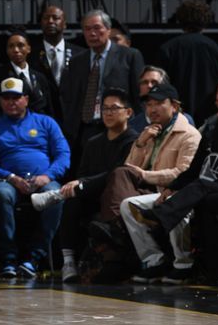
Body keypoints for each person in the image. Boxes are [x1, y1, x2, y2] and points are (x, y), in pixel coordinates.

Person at [121, 90, 218, 285]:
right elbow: (192, 171)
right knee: (129, 205)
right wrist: (171, 189)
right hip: (203, 192)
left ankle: (178, 252)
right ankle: (156, 260)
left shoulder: (190, 134)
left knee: (200, 187)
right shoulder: (214, 134)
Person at [32, 88, 138, 283]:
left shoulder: (134, 141)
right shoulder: (93, 142)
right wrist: (81, 184)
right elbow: (83, 173)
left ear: (128, 112)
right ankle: (68, 261)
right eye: (104, 108)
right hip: (92, 193)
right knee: (72, 202)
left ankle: (58, 194)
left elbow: (119, 173)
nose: (108, 113)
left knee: (109, 176)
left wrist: (81, 184)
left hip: (118, 196)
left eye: (114, 108)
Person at [0, 77, 70, 279]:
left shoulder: (46, 122)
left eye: (15, 97)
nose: (11, 102)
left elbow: (63, 154)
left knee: (55, 194)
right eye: (6, 98)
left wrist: (47, 176)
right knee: (1, 194)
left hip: (42, 179)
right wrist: (11, 177)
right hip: (9, 181)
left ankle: (33, 258)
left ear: (26, 99)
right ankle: (9, 259)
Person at [98, 83, 200, 226]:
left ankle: (114, 226)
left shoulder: (190, 135)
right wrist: (140, 143)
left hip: (167, 193)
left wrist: (145, 175)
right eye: (149, 104)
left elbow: (184, 174)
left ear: (175, 107)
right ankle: (115, 225)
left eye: (158, 103)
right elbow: (129, 168)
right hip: (142, 190)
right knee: (117, 176)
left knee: (120, 183)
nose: (152, 109)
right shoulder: (148, 133)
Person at [60, 9, 145, 154]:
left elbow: (138, 95)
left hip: (119, 127)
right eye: (87, 29)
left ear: (108, 29)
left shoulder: (129, 56)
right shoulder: (77, 61)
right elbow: (70, 98)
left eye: (97, 28)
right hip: (85, 129)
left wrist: (136, 126)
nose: (92, 33)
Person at [158, 0, 218, 125]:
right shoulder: (216, 50)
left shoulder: (168, 48)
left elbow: (162, 86)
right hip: (207, 115)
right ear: (205, 21)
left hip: (176, 115)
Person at [30, 5, 86, 122]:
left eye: (55, 18)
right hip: (42, 119)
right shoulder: (31, 55)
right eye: (46, 18)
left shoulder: (81, 54)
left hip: (74, 120)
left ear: (64, 24)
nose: (50, 21)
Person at [0, 29, 53, 116]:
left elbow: (49, 109)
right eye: (11, 46)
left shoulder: (40, 77)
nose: (16, 50)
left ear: (29, 49)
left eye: (20, 45)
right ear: (7, 50)